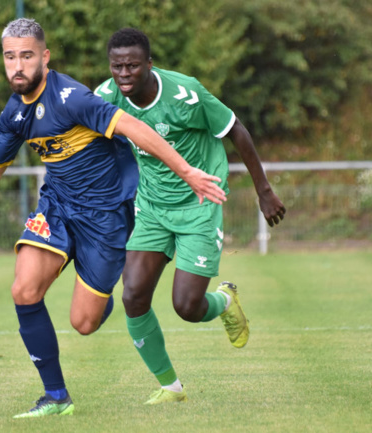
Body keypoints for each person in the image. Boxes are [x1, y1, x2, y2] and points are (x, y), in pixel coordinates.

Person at [0, 19, 227, 418]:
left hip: (106, 219)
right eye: (10, 57)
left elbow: (135, 128)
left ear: (44, 57)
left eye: (27, 56)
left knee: (83, 323)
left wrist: (187, 172)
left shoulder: (72, 98)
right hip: (57, 208)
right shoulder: (15, 113)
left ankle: (96, 296)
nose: (18, 66)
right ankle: (56, 397)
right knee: (24, 289)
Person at [95, 28, 286, 404]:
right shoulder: (107, 95)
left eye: (133, 65)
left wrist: (264, 190)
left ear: (150, 64)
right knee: (132, 296)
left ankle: (224, 302)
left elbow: (237, 130)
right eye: (117, 66)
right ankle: (170, 387)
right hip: (151, 207)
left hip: (199, 206)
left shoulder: (186, 94)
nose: (124, 74)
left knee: (187, 307)